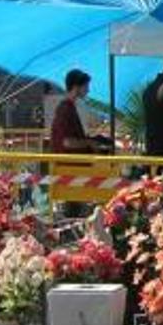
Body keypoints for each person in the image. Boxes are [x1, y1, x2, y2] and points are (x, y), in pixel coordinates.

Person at [50, 69, 109, 219]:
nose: (88, 90)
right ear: (76, 87)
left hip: (73, 165)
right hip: (71, 166)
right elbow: (67, 142)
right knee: (74, 209)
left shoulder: (69, 107)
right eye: (86, 86)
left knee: (75, 207)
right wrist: (90, 143)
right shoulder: (66, 109)